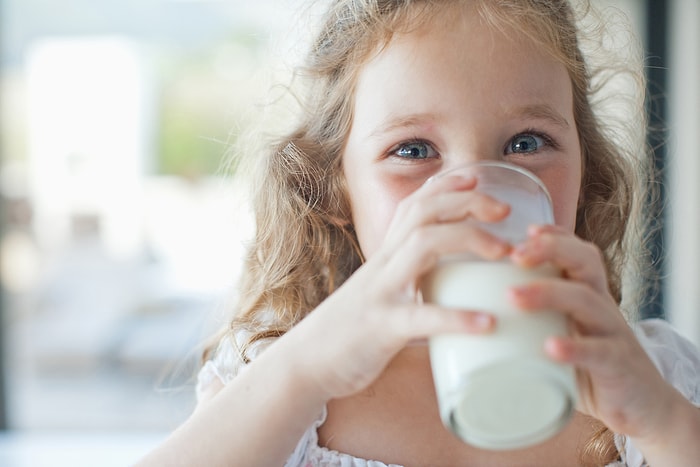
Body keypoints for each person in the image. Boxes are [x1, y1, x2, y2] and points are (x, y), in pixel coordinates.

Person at [138, 0, 700, 465]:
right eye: (412, 151)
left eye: (526, 144)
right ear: (336, 191)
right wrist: (304, 370)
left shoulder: (653, 381)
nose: (477, 197)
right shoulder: (276, 396)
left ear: (585, 168)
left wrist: (661, 421)